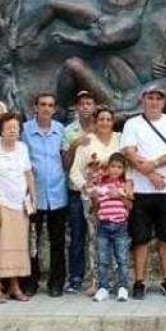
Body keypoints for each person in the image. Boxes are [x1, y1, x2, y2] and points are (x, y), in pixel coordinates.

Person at [120, 83, 166, 299]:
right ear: (143, 100)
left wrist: (154, 164)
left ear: (164, 102)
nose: (154, 102)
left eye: (158, 98)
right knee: (140, 238)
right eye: (150, 98)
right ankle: (139, 281)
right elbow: (129, 152)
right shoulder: (132, 124)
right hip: (141, 190)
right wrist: (150, 174)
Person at [0, 112, 33, 303]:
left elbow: (28, 174)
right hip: (0, 203)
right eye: (9, 127)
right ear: (1, 130)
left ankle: (14, 286)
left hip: (20, 204)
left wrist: (32, 198)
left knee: (19, 247)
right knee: (0, 247)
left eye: (16, 127)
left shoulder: (22, 148)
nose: (13, 131)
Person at [21, 92, 68, 297]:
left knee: (57, 241)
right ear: (35, 107)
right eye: (43, 104)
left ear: (54, 109)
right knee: (32, 240)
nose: (46, 108)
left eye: (50, 105)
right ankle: (31, 281)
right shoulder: (25, 130)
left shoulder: (60, 130)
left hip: (57, 193)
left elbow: (64, 158)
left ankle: (56, 282)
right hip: (34, 194)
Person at [69, 106, 120, 292]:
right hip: (93, 199)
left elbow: (126, 168)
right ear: (95, 122)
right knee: (94, 238)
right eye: (101, 119)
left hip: (115, 199)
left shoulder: (119, 140)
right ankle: (96, 281)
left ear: (112, 122)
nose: (105, 123)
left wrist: (123, 190)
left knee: (116, 237)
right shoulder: (86, 143)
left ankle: (116, 280)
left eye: (108, 119)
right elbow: (75, 171)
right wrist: (87, 188)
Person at [61, 90, 97, 293]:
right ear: (77, 107)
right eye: (82, 103)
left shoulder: (101, 126)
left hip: (98, 191)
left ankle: (98, 276)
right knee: (77, 235)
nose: (85, 107)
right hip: (76, 190)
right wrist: (75, 144)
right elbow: (65, 164)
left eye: (89, 103)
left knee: (99, 235)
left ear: (94, 106)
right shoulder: (69, 131)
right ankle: (75, 277)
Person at [91, 153, 133, 302]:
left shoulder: (125, 185)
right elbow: (95, 205)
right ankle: (103, 287)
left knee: (122, 258)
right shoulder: (100, 184)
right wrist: (95, 199)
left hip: (120, 226)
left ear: (123, 170)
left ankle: (123, 287)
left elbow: (130, 205)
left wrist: (119, 196)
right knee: (102, 259)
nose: (115, 170)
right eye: (113, 166)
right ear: (107, 168)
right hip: (103, 225)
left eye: (119, 167)